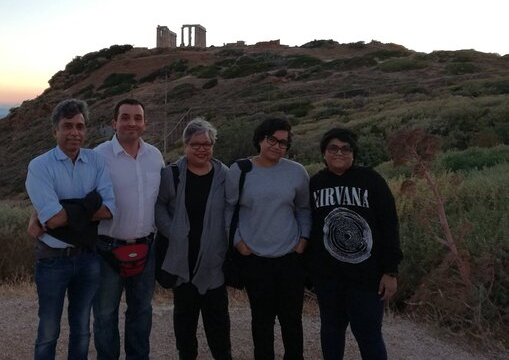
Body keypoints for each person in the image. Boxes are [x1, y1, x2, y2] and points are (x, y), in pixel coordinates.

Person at [25, 99, 115, 360]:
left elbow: (109, 209)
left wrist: (67, 211)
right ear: (55, 131)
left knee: (82, 330)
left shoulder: (96, 161)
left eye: (80, 126)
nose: (75, 132)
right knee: (48, 330)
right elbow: (52, 219)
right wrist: (88, 205)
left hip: (88, 258)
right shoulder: (39, 166)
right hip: (52, 260)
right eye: (67, 126)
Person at [308, 128, 403, 360]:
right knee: (331, 332)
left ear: (353, 153)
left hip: (367, 277)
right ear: (324, 153)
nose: (339, 152)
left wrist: (390, 271)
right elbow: (309, 227)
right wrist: (310, 272)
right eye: (333, 148)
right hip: (328, 278)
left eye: (345, 148)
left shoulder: (371, 180)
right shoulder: (315, 183)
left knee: (369, 335)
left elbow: (390, 225)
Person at [225, 117, 311, 360]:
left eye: (283, 143)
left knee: (292, 320)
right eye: (272, 140)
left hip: (290, 258)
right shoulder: (240, 170)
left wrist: (303, 239)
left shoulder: (296, 172)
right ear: (260, 140)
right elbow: (229, 209)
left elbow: (304, 209)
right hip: (255, 258)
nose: (277, 146)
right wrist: (238, 243)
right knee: (261, 321)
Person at [92, 98, 164, 360]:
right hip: (106, 250)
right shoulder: (97, 156)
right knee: (104, 314)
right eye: (125, 117)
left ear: (144, 124)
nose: (131, 123)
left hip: (146, 247)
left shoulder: (155, 156)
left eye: (137, 118)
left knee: (141, 311)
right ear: (114, 123)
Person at [156, 118, 232, 360]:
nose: (202, 149)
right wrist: (173, 232)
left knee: (219, 332)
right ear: (186, 145)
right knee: (185, 333)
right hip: (182, 266)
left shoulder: (224, 175)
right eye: (196, 144)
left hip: (214, 264)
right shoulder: (172, 175)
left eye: (207, 144)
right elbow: (159, 206)